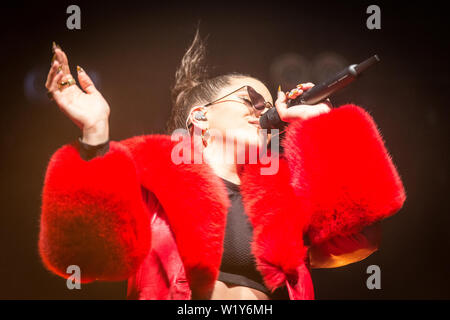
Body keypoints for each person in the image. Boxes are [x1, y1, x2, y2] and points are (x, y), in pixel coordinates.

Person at [39, 29, 406, 300]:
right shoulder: (151, 180)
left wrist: (319, 123)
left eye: (268, 107)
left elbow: (362, 236)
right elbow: (82, 251)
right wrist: (94, 130)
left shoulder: (285, 200)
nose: (265, 112)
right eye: (252, 101)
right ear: (200, 118)